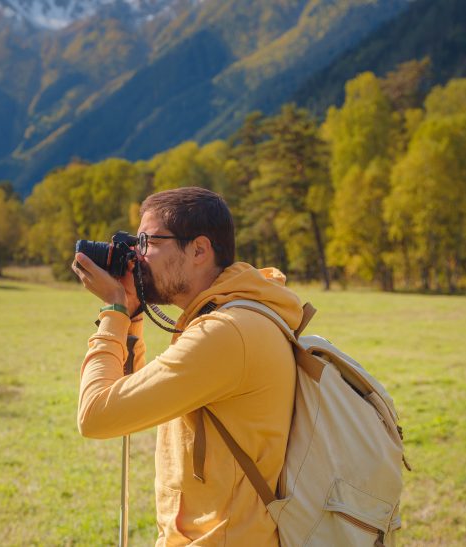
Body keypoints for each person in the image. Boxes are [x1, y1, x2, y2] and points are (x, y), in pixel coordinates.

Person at [71, 186, 303, 546]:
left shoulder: (226, 333)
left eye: (148, 241)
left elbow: (96, 415)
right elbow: (131, 397)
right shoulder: (227, 316)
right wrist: (132, 312)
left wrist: (114, 311)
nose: (137, 254)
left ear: (199, 249)